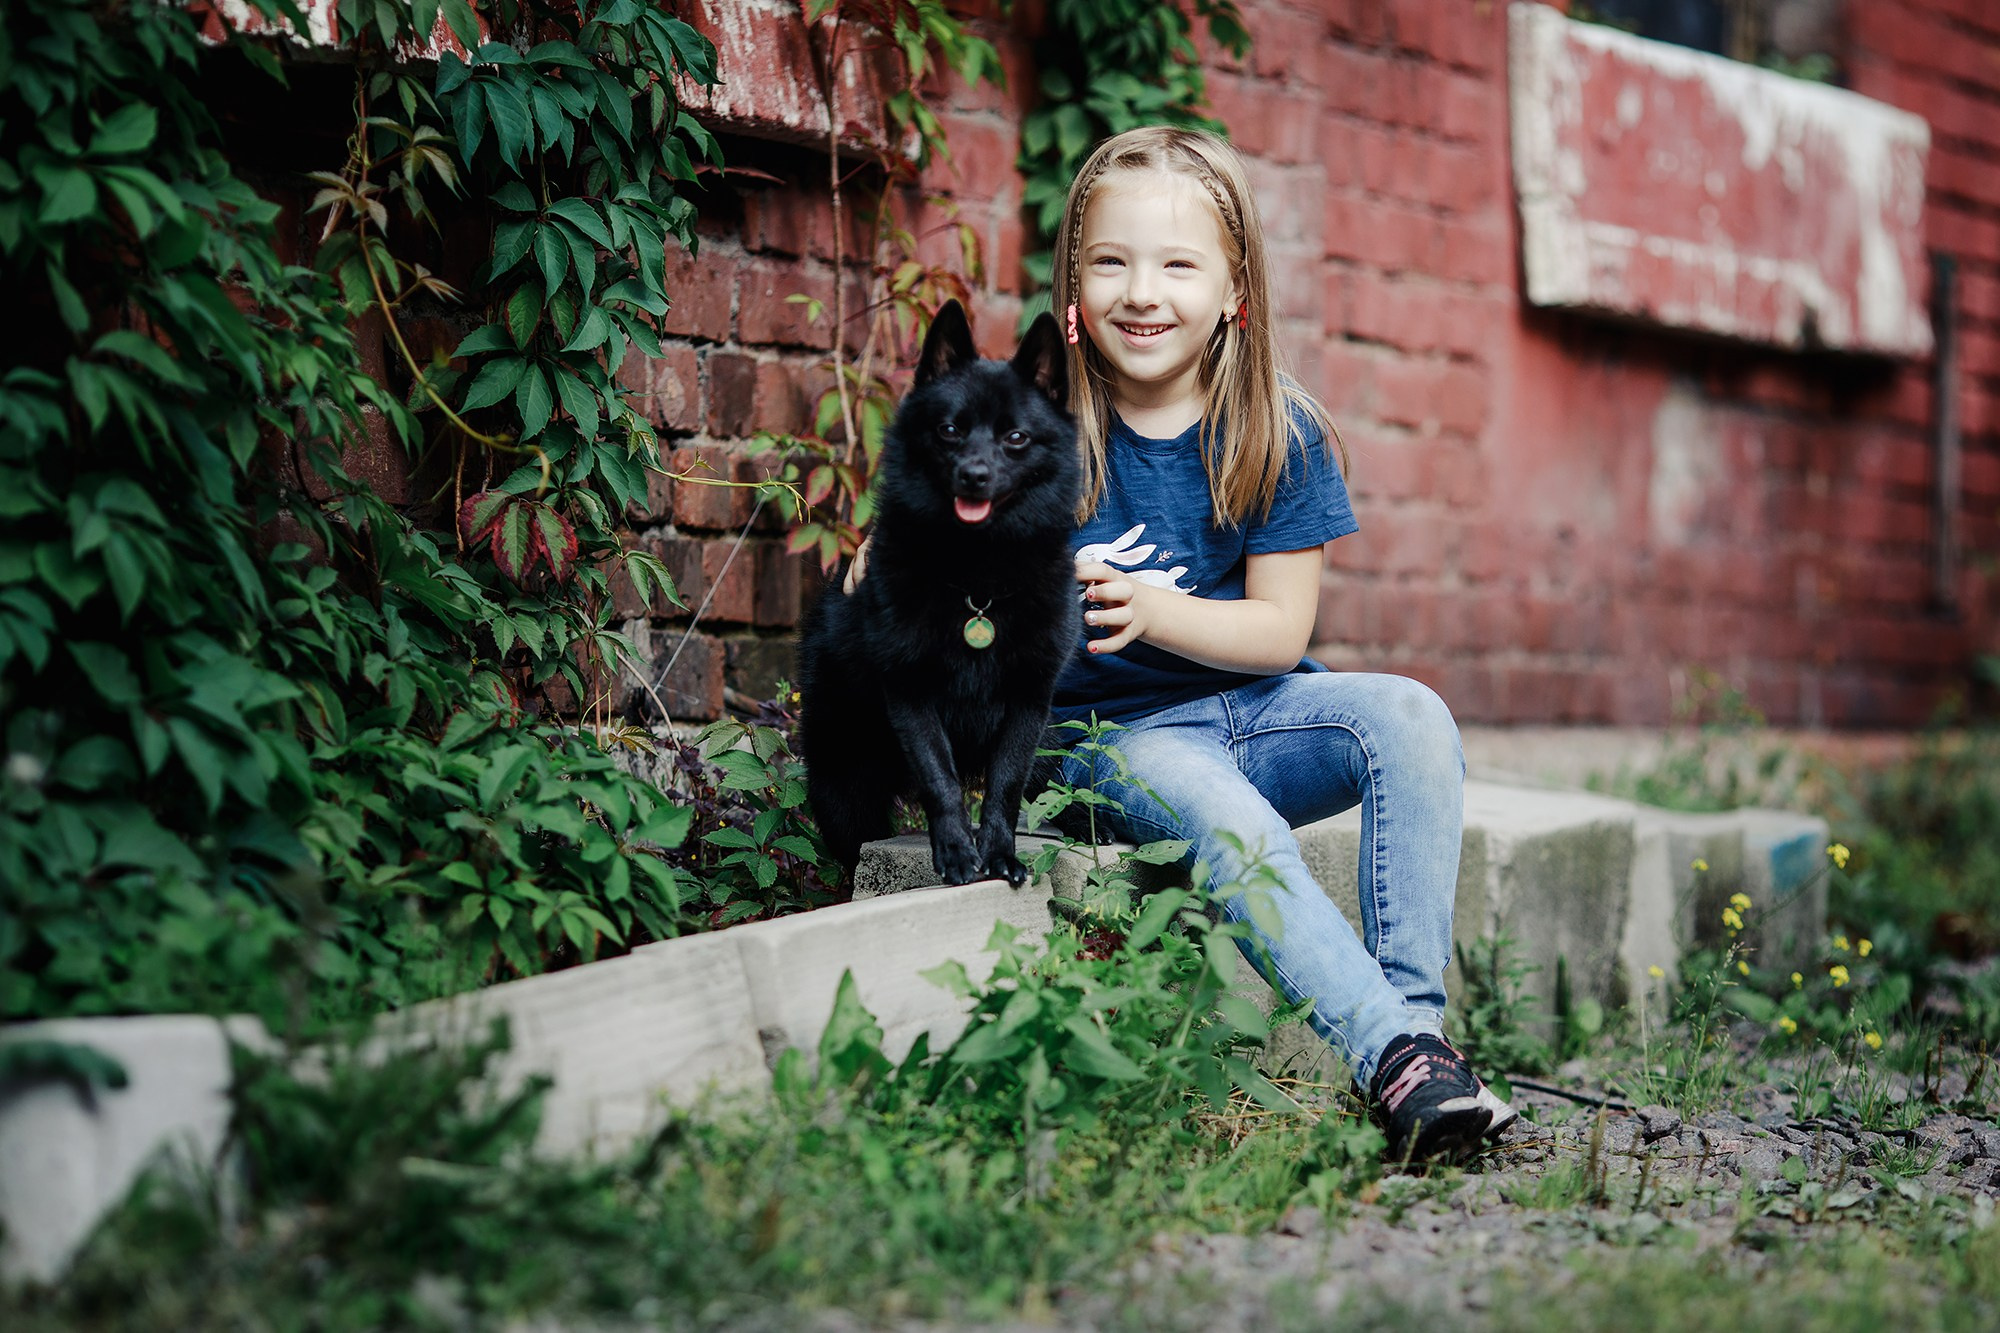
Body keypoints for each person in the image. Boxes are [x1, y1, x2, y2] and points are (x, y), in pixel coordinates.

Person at [852, 125, 1513, 1161]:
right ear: (1071, 283)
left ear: (1232, 286)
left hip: (1259, 709)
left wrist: (1156, 612)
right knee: (1216, 806)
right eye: (1109, 261)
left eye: (1175, 263)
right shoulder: (1030, 423)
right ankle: (1386, 1055)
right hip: (1115, 737)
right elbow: (927, 525)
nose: (1140, 291)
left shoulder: (1273, 430)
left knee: (1409, 717)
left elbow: (1279, 632)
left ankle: (1417, 1033)